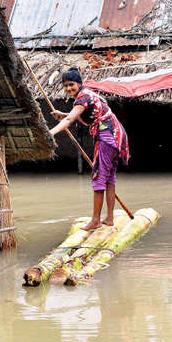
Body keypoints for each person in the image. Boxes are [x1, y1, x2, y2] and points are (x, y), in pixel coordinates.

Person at [49, 67, 129, 231]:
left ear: (79, 83)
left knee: (98, 177)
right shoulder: (88, 95)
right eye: (65, 86)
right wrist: (62, 114)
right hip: (116, 136)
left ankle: (95, 220)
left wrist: (50, 133)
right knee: (109, 178)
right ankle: (109, 218)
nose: (68, 88)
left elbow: (72, 118)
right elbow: (84, 113)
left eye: (71, 84)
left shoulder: (83, 97)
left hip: (107, 137)